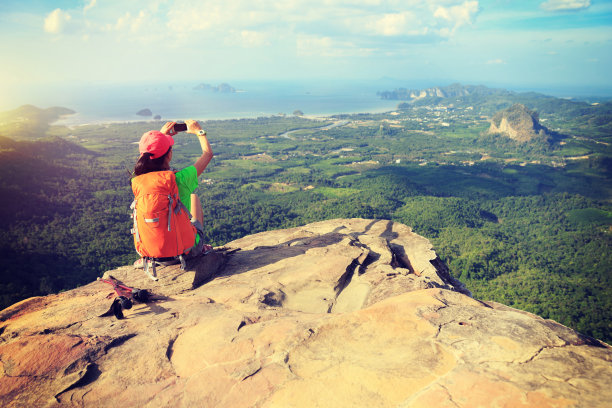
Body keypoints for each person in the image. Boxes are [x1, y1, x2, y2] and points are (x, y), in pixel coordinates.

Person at [132, 119, 213, 268]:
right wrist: (199, 132)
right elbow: (208, 154)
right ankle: (200, 248)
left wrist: (159, 137)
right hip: (185, 251)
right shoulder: (180, 179)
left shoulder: (139, 181)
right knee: (193, 197)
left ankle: (149, 258)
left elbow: (147, 155)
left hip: (152, 254)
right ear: (169, 155)